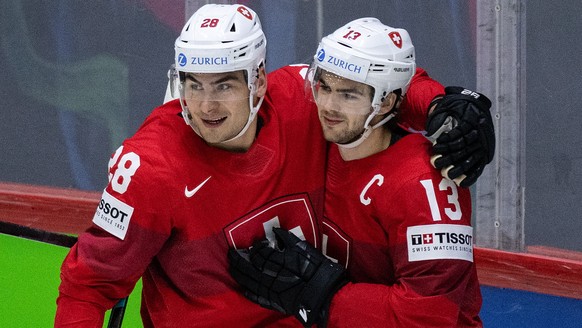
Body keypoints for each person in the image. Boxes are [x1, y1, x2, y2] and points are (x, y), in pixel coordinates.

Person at [55, 4, 492, 327]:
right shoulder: (151, 166)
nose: (206, 105)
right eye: (194, 84)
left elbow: (371, 79)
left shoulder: (303, 105)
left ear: (258, 80)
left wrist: (440, 105)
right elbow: (87, 287)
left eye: (224, 84)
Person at [229, 18, 485, 327]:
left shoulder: (425, 184)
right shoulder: (325, 137)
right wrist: (435, 102)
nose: (329, 106)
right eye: (324, 87)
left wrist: (325, 295)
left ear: (386, 102)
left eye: (349, 95)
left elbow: (429, 317)